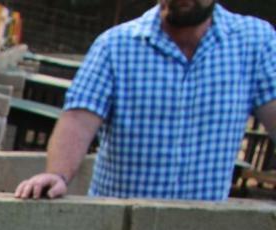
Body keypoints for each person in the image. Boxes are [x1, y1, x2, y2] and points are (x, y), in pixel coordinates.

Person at [15, 0, 276, 201]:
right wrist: (57, 174)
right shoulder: (115, 46)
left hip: (203, 229)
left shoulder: (254, 42)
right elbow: (78, 120)